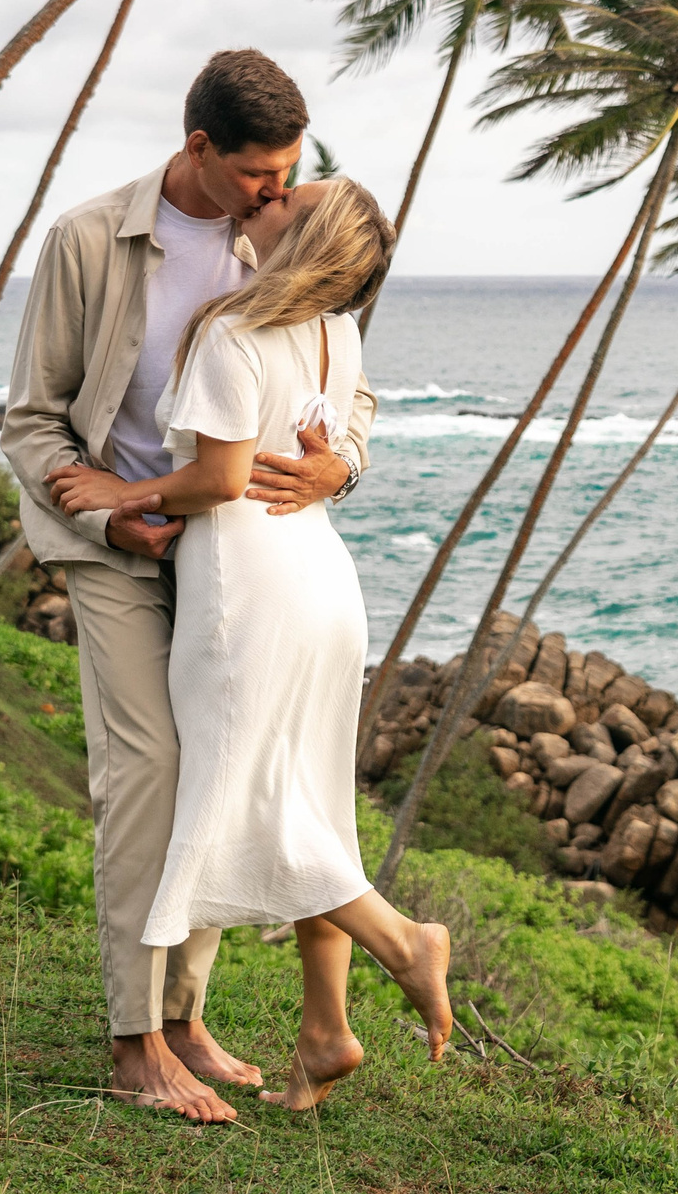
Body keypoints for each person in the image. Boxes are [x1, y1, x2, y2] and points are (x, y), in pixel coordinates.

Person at [1, 49, 372, 1123]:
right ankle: (131, 1045)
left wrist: (341, 467)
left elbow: (346, 393)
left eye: (290, 170)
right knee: (151, 767)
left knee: (216, 753)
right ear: (198, 147)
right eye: (259, 172)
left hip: (233, 553)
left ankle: (183, 1015)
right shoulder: (88, 240)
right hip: (113, 542)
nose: (278, 191)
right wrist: (109, 509)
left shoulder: (285, 238)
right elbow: (32, 416)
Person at [50, 177, 452, 1112]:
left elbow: (221, 477)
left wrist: (124, 494)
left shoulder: (234, 330)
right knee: (308, 799)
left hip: (247, 594)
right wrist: (334, 462)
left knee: (247, 808)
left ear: (296, 235)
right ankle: (324, 1033)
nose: (257, 203)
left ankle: (402, 942)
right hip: (320, 581)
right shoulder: (335, 330)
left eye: (278, 200)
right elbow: (328, 433)